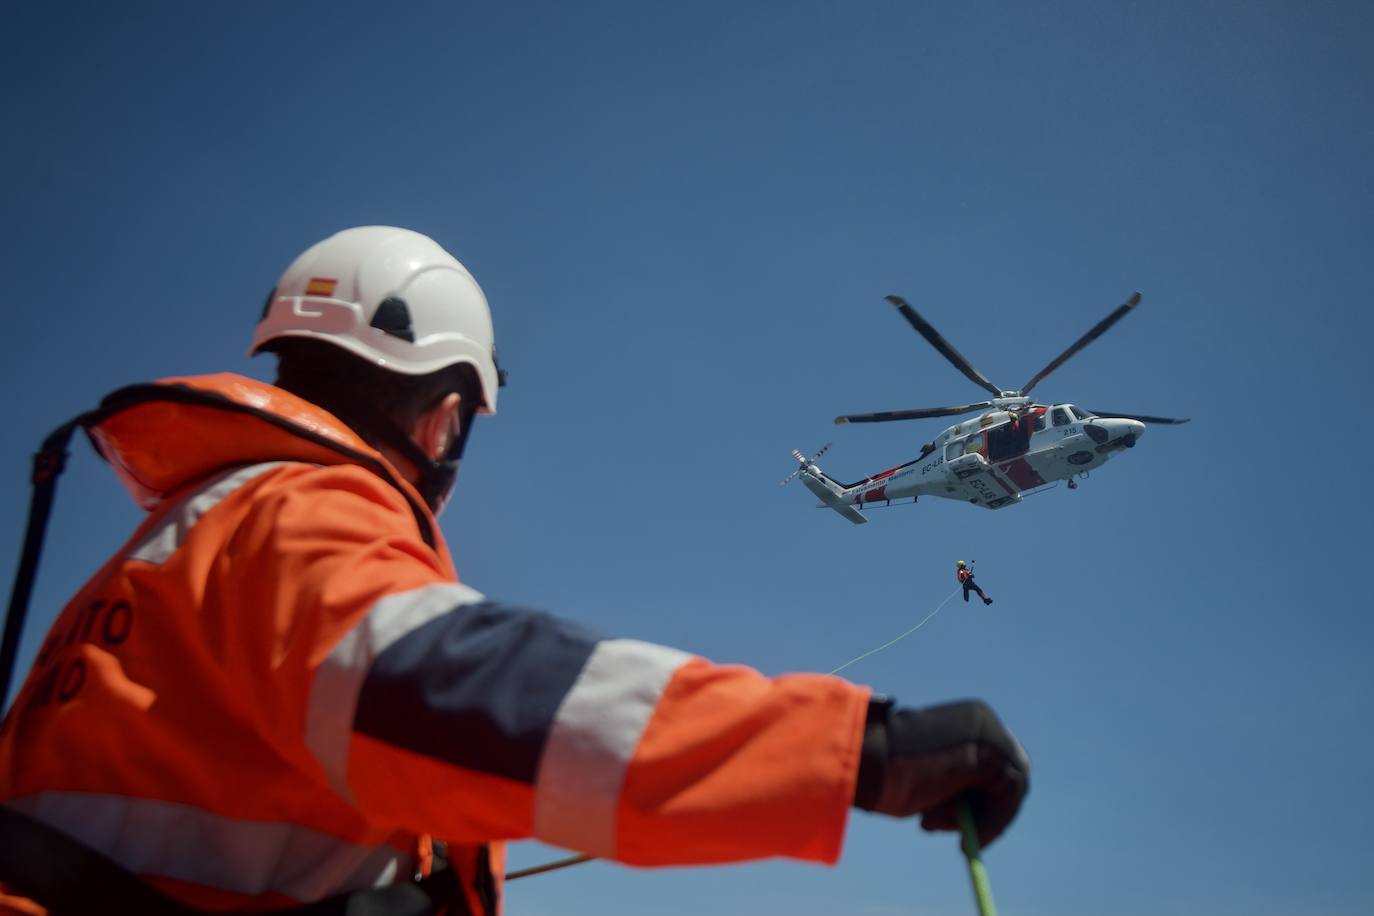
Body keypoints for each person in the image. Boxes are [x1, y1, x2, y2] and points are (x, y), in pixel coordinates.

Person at [0, 227, 1029, 916]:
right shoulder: (298, 513)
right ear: (446, 413)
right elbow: (458, 689)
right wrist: (858, 747)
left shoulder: (172, 552)